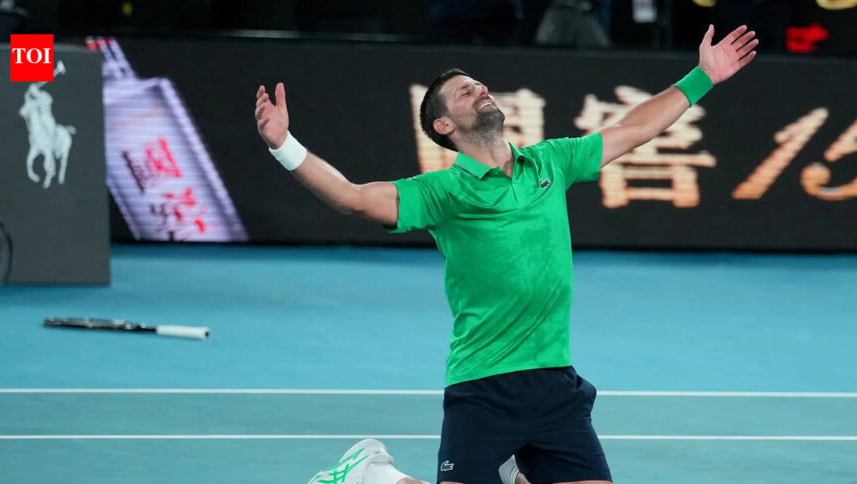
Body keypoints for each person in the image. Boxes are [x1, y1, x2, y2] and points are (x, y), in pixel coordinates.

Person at [254, 24, 758, 484]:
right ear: (444, 126)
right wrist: (283, 145)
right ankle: (373, 476)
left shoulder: (551, 161)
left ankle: (516, 474)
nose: (481, 90)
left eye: (479, 85)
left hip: (555, 381)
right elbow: (352, 197)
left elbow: (632, 130)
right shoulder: (442, 193)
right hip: (484, 385)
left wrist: (703, 77)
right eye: (464, 92)